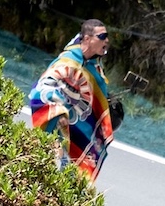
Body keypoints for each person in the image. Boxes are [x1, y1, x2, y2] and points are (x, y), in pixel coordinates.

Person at [26, 19, 125, 182]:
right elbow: (43, 88)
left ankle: (64, 191)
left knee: (71, 169)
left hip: (77, 123)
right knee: (42, 156)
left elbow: (95, 96)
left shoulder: (95, 68)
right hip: (57, 119)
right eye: (102, 36)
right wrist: (59, 109)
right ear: (87, 38)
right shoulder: (67, 60)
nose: (106, 40)